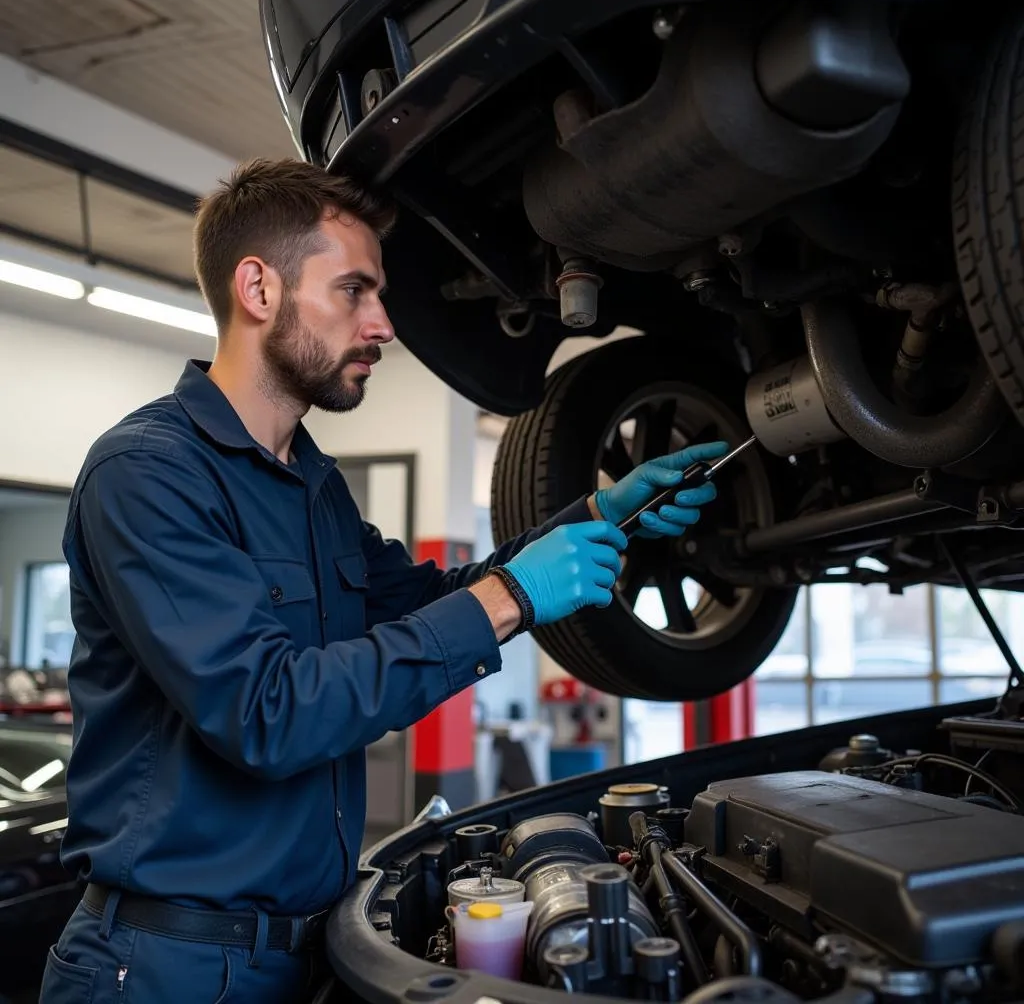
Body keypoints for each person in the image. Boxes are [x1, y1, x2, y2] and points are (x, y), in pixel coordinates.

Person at [39, 157, 725, 1003]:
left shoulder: (311, 484)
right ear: (259, 288)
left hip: (305, 951)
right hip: (163, 966)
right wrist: (512, 599)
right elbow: (267, 712)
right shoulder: (148, 474)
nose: (385, 325)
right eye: (354, 291)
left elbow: (424, 598)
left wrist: (594, 514)